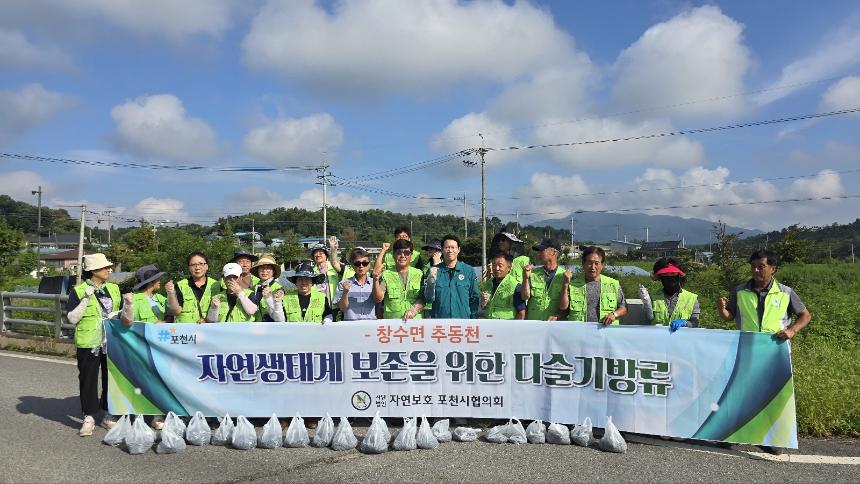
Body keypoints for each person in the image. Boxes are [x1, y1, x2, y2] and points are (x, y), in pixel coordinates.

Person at [65, 253, 121, 436]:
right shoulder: (79, 291)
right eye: (105, 268)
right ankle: (88, 416)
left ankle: (108, 414)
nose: (108, 270)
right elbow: (72, 318)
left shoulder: (113, 288)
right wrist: (86, 299)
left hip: (111, 342)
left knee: (111, 379)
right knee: (87, 379)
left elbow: (119, 312)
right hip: (89, 342)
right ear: (93, 271)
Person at [718, 250, 811, 339]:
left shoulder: (785, 292)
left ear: (773, 269)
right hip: (747, 345)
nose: (756, 270)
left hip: (776, 346)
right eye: (753, 266)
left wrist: (792, 330)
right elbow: (729, 316)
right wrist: (722, 310)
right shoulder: (739, 291)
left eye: (761, 266)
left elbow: (805, 316)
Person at [559, 245, 628, 324]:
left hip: (606, 332)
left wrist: (614, 314)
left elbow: (624, 308)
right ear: (583, 264)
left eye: (596, 263)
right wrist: (565, 284)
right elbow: (563, 307)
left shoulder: (613, 284)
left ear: (602, 265)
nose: (593, 267)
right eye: (589, 263)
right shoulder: (573, 284)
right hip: (579, 332)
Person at [424, 234, 479, 318]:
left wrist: (474, 317)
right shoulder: (433, 271)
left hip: (463, 321)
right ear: (442, 250)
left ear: (458, 249)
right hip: (440, 322)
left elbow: (474, 297)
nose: (450, 250)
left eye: (453, 247)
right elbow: (428, 298)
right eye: (447, 247)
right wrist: (430, 281)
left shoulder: (468, 271)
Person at [640, 257, 700, 331]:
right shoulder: (651, 297)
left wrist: (684, 323)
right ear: (660, 277)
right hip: (657, 339)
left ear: (679, 275)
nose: (669, 277)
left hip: (682, 340)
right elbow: (647, 321)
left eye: (673, 274)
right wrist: (646, 302)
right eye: (665, 274)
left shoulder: (691, 298)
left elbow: (695, 323)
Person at [373, 239, 425, 320]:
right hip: (393, 324)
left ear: (411, 256)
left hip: (415, 323)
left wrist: (414, 310)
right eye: (399, 253)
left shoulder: (419, 274)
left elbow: (423, 298)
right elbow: (378, 298)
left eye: (406, 253)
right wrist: (375, 280)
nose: (402, 256)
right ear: (393, 255)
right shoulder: (387, 274)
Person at [167, 252, 222, 323]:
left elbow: (221, 311)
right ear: (189, 268)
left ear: (207, 266)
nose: (197, 267)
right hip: (185, 331)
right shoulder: (180, 285)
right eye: (193, 265)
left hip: (208, 331)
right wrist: (171, 294)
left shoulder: (216, 285)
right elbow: (176, 312)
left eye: (201, 264)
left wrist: (207, 320)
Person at [520, 238, 566, 321]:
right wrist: (525, 278)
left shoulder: (565, 276)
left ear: (553, 253)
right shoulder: (532, 273)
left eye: (541, 251)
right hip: (534, 324)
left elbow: (566, 307)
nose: (538, 254)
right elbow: (524, 296)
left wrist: (557, 316)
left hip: (554, 326)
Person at [480, 252, 526, 319]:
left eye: (500, 266)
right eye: (494, 265)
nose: (496, 268)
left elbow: (522, 312)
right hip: (489, 326)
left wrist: (517, 329)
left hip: (506, 327)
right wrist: (483, 302)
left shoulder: (515, 286)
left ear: (509, 268)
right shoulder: (489, 283)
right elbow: (484, 306)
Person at [336, 248, 378, 320]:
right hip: (351, 327)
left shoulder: (374, 283)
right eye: (357, 263)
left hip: (370, 327)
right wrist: (345, 293)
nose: (361, 266)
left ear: (369, 264)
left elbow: (379, 301)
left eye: (365, 263)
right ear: (352, 265)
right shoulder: (343, 284)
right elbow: (342, 308)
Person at [248, 255, 283, 321]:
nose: (264, 271)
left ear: (273, 271)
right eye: (262, 268)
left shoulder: (278, 289)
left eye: (268, 268)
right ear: (258, 270)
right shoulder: (255, 287)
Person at [310, 236, 343, 307]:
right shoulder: (311, 271)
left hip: (334, 305)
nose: (318, 255)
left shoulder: (334, 268)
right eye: (315, 253)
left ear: (326, 255)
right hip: (318, 306)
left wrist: (333, 250)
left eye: (321, 253)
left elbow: (335, 263)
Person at [420, 239, 443, 317]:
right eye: (428, 248)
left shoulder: (445, 266)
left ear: (439, 251)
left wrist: (437, 264)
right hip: (427, 305)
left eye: (432, 248)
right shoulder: (426, 266)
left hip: (441, 304)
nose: (429, 250)